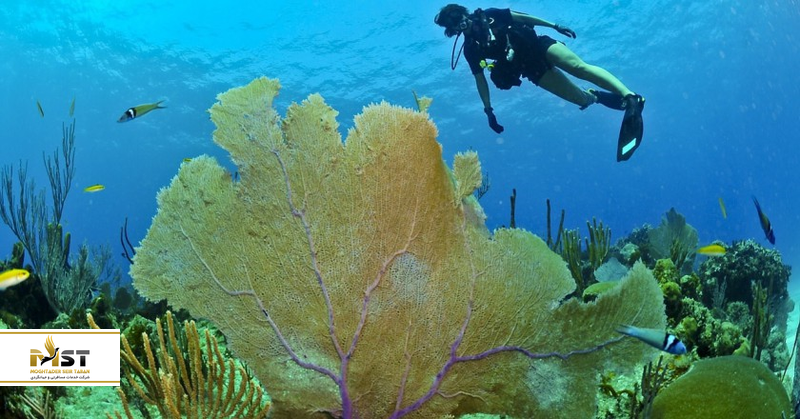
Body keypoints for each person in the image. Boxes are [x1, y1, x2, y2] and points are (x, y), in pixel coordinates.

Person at [434, 4, 646, 160]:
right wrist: (488, 110)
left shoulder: (490, 16)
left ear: (465, 13)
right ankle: (596, 96)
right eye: (456, 25)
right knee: (579, 99)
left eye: (461, 18)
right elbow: (480, 80)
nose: (463, 25)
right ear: (453, 31)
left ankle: (630, 97)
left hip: (539, 46)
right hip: (530, 69)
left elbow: (523, 18)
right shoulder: (471, 49)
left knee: (579, 68)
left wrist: (555, 26)